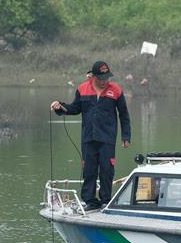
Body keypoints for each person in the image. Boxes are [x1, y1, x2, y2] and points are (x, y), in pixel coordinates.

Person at [51, 60, 131, 210]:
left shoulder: (116, 91)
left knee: (107, 170)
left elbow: (124, 115)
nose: (104, 81)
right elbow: (75, 109)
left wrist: (126, 137)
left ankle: (106, 201)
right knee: (89, 170)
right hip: (88, 138)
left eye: (107, 78)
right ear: (93, 76)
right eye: (101, 78)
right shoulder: (82, 89)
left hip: (107, 137)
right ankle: (90, 201)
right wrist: (60, 106)